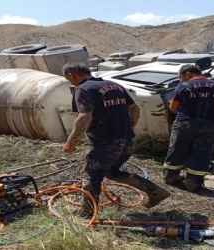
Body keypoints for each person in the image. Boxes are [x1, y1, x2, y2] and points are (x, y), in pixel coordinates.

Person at [62, 62, 170, 216]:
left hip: (105, 143)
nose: (70, 82)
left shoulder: (83, 89)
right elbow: (135, 109)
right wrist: (130, 129)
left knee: (92, 176)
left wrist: (71, 141)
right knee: (111, 172)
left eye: (68, 79)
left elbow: (84, 116)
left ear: (72, 74)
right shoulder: (114, 85)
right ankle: (155, 191)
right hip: (127, 141)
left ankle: (86, 212)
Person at [162, 65, 214, 193]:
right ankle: (193, 184)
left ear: (188, 74)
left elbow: (173, 108)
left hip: (185, 123)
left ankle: (171, 177)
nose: (180, 80)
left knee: (177, 149)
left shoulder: (183, 87)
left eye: (180, 77)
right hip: (209, 124)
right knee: (202, 153)